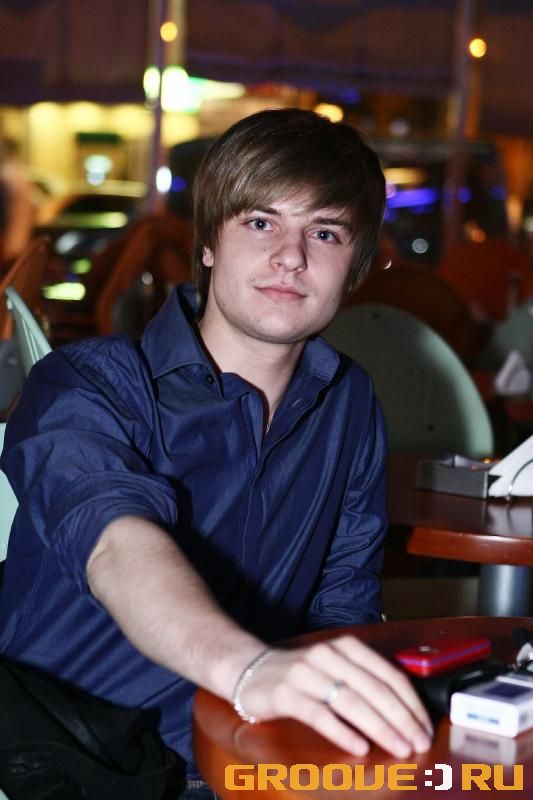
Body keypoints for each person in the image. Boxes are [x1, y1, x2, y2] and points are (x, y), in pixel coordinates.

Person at [0, 109, 432, 793]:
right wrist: (251, 670)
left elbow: (342, 599)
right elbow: (115, 544)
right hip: (75, 765)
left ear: (353, 266)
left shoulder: (349, 401)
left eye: (324, 232)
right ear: (207, 245)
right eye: (260, 223)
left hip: (252, 758)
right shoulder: (87, 384)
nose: (290, 256)